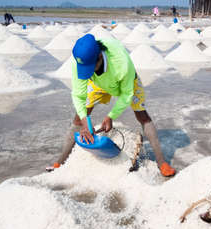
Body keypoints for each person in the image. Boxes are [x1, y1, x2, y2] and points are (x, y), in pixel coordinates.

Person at [46, 34, 176, 177]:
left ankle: (162, 162)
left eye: (90, 67)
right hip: (98, 83)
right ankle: (60, 162)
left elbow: (126, 94)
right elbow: (78, 95)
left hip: (126, 82)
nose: (86, 72)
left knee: (141, 114)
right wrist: (85, 122)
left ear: (100, 57)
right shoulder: (80, 61)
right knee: (79, 118)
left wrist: (111, 116)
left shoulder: (121, 63)